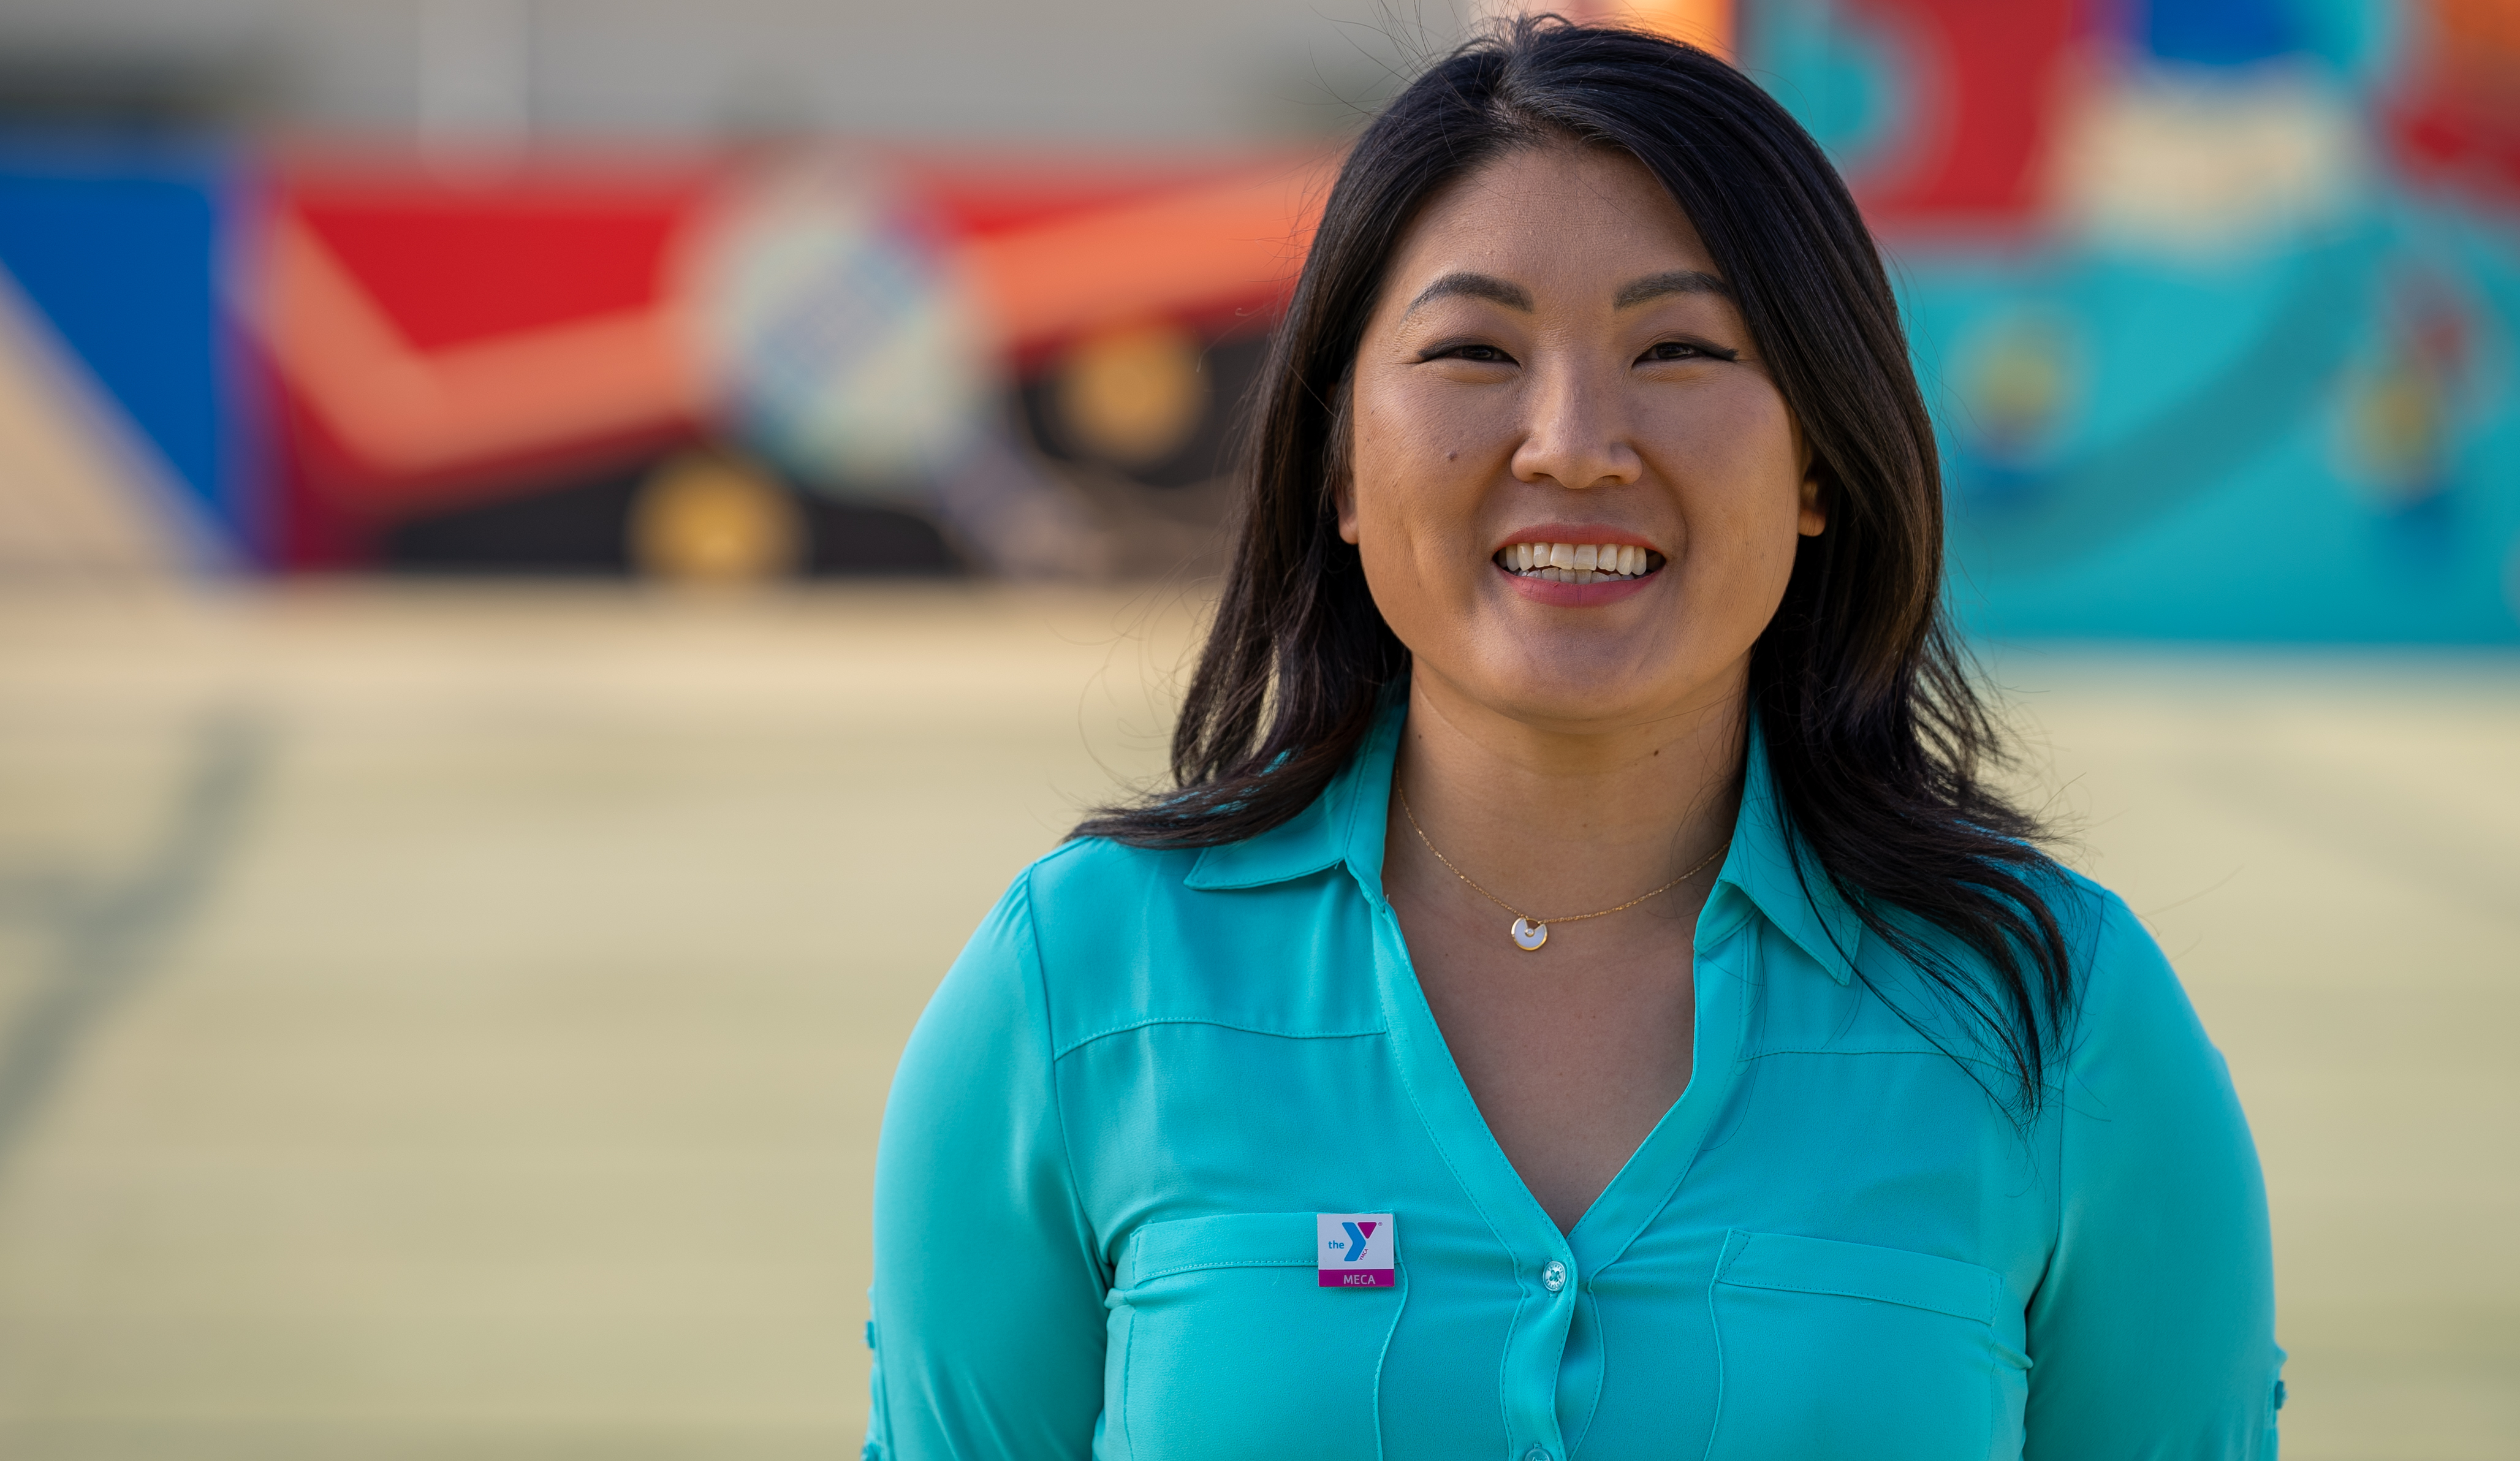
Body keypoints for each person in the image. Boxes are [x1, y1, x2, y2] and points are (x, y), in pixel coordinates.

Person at [866, 18, 2280, 1459]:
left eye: (1677, 347)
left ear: (1816, 461)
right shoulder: (1083, 987)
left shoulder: (2054, 1017)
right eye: (1473, 348)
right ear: (1339, 463)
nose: (1572, 442)